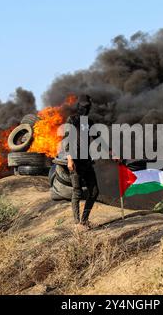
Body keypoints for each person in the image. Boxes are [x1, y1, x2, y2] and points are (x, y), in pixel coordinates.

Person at [65, 95, 100, 231]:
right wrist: (69, 159)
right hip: (75, 161)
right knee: (77, 192)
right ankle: (76, 223)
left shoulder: (89, 122)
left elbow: (98, 138)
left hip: (86, 161)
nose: (85, 109)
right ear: (79, 106)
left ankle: (83, 222)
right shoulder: (72, 120)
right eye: (84, 106)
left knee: (94, 191)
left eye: (87, 107)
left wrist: (111, 152)